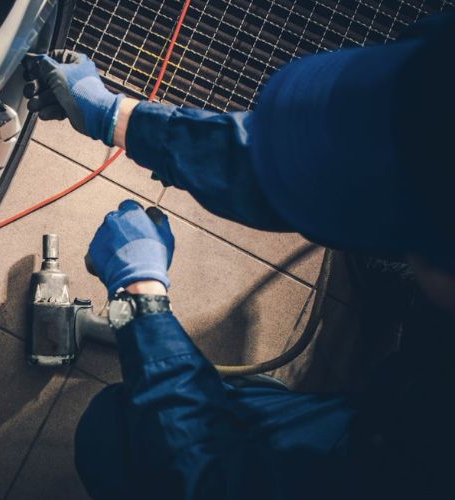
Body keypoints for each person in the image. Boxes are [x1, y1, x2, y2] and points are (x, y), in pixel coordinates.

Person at [23, 13, 454, 500]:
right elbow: (304, 160)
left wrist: (139, 297)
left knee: (114, 437)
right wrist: (118, 117)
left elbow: (204, 481)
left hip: (371, 459)